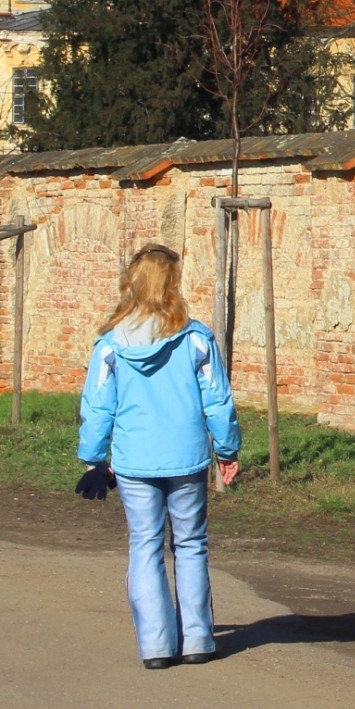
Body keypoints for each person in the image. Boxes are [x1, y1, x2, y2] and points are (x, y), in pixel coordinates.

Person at [76, 244, 242, 668]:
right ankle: (198, 640)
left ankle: (156, 647)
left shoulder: (110, 345)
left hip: (134, 461)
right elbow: (218, 402)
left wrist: (94, 458)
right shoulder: (197, 338)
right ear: (173, 283)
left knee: (145, 547)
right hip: (187, 459)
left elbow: (97, 406)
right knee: (190, 545)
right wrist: (227, 449)